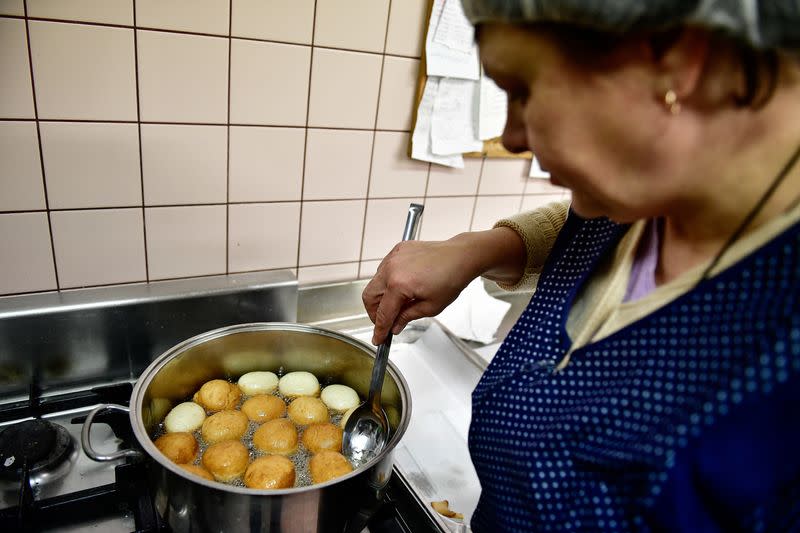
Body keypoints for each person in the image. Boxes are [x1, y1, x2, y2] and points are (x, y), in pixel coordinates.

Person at [362, 1, 800, 531]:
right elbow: (579, 224)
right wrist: (480, 249)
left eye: (522, 90)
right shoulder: (635, 196)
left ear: (678, 59)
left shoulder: (777, 364)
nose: (513, 136)